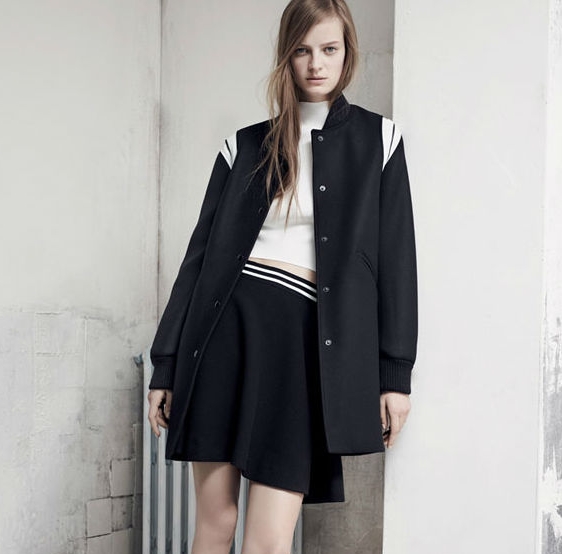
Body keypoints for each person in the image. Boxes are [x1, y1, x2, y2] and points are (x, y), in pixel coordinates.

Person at [147, 0, 418, 552]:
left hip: (301, 353)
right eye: (302, 50)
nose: (316, 64)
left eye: (329, 49)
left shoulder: (380, 141)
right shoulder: (244, 145)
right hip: (224, 338)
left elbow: (397, 264)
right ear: (285, 57)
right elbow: (198, 262)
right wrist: (166, 364)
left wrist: (395, 375)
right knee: (215, 523)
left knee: (268, 541)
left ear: (347, 53)